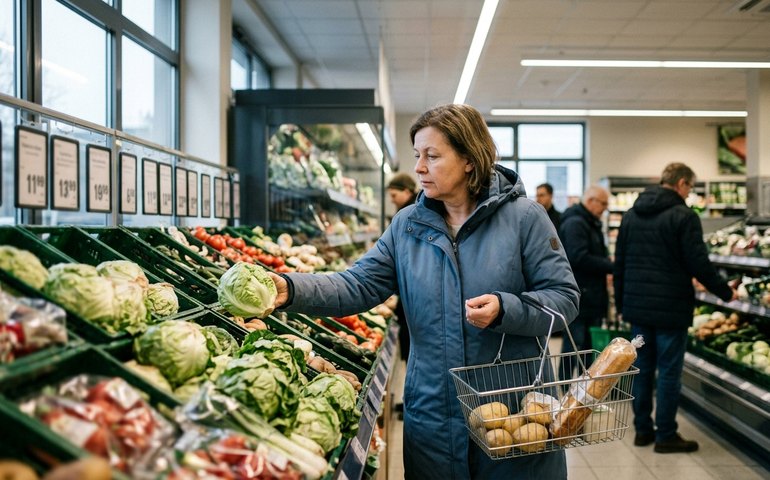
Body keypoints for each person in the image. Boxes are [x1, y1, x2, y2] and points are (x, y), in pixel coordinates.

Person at [269, 104, 579, 479]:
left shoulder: (524, 218)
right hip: (433, 417)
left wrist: (505, 309)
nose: (418, 167)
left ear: (468, 159)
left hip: (513, 415)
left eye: (432, 156)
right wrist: (289, 287)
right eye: (418, 155)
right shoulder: (407, 227)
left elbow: (564, 299)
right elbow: (358, 284)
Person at [614, 162, 737, 454]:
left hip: (638, 309)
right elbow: (698, 262)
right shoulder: (684, 216)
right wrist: (724, 292)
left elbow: (620, 263)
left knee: (641, 370)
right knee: (669, 372)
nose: (690, 193)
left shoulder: (631, 216)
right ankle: (666, 434)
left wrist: (622, 304)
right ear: (681, 183)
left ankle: (642, 430)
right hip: (671, 309)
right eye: (691, 187)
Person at [557, 185, 613, 380]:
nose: (605, 208)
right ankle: (565, 390)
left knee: (586, 347)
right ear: (591, 201)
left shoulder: (588, 222)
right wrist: (609, 265)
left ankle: (584, 391)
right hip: (580, 296)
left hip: (589, 295)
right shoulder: (576, 223)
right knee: (574, 345)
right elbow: (578, 257)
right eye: (603, 204)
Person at [386, 172, 418, 418]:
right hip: (408, 298)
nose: (392, 199)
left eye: (394, 195)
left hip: (410, 301)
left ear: (406, 192)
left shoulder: (410, 217)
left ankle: (412, 401)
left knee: (412, 349)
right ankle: (411, 400)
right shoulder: (406, 215)